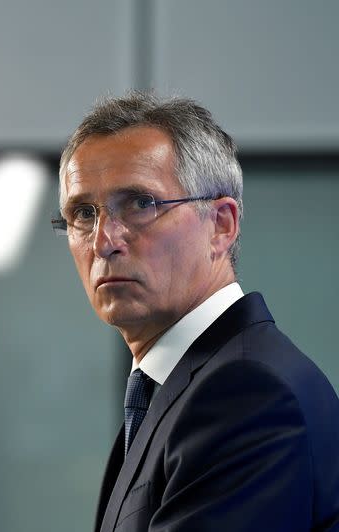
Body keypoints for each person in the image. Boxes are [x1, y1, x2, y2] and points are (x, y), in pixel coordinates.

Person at [54, 91, 339, 531]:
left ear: (222, 225)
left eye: (141, 203)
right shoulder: (174, 389)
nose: (103, 241)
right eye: (83, 213)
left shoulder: (247, 393)